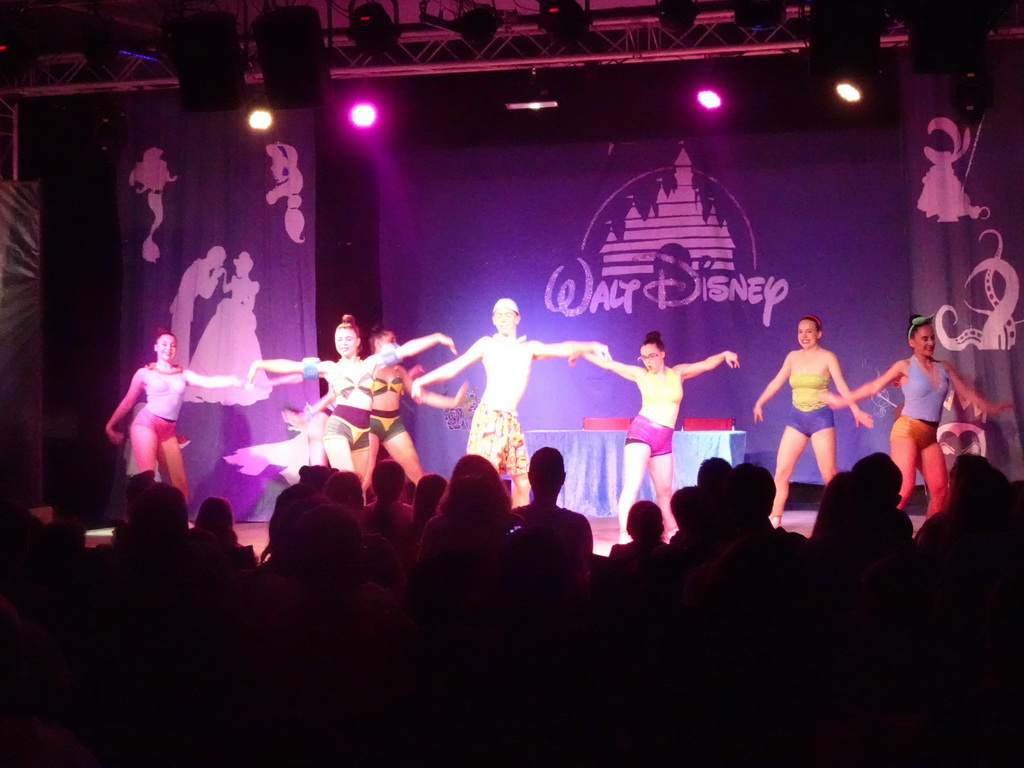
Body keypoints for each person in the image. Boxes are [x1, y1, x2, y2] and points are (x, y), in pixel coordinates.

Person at [411, 298, 611, 507]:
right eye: (498, 315)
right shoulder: (487, 344)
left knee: (523, 482)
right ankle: (477, 530)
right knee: (482, 480)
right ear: (493, 320)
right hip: (490, 418)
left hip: (511, 421)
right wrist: (422, 381)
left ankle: (517, 529)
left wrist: (592, 345)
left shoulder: (528, 348)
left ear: (518, 318)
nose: (503, 319)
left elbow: (564, 347)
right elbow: (453, 368)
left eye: (508, 314)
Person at [826, 314, 1011, 514]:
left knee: (940, 491)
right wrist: (843, 400)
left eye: (932, 338)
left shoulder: (944, 367)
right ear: (911, 342)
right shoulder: (904, 366)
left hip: (930, 436)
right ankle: (881, 532)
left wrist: (991, 407)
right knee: (903, 489)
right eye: (925, 339)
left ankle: (927, 541)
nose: (931, 342)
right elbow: (874, 387)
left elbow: (967, 392)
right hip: (907, 430)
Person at [246, 315, 457, 485]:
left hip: (363, 431)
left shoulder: (372, 363)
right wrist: (259, 365)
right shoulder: (330, 368)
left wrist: (437, 337)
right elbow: (293, 366)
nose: (343, 343)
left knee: (361, 485)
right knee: (348, 482)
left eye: (348, 339)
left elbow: (406, 349)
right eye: (339, 340)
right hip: (339, 428)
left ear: (357, 342)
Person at [580, 331, 739, 542]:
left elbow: (705, 364)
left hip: (664, 439)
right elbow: (610, 365)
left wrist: (725, 354)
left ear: (662, 354)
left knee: (664, 490)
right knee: (633, 483)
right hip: (642, 433)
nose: (647, 361)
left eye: (652, 356)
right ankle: (624, 533)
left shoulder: (678, 373)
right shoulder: (641, 375)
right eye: (643, 357)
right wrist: (581, 351)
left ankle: (670, 530)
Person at [752, 314, 872, 527]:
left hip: (820, 419)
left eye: (809, 331)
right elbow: (777, 381)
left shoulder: (827, 357)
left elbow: (842, 385)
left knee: (830, 477)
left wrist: (855, 409)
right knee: (781, 472)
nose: (804, 336)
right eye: (800, 331)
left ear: (819, 333)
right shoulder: (792, 357)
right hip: (796, 419)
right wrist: (760, 402)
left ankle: (844, 520)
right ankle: (774, 519)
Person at [105, 331, 242, 502]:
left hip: (167, 430)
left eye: (172, 345)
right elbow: (127, 402)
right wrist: (110, 426)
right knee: (147, 479)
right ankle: (141, 521)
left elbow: (209, 382)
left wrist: (233, 380)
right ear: (156, 347)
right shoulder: (144, 373)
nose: (168, 348)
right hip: (146, 424)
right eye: (164, 344)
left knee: (180, 484)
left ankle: (178, 522)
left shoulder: (182, 374)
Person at [365, 327, 468, 487]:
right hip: (370, 423)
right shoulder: (370, 365)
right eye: (391, 340)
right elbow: (408, 350)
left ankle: (427, 509)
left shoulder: (399, 371)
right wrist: (437, 337)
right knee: (365, 478)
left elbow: (423, 396)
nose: (396, 344)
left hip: (392, 424)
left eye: (396, 341)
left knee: (419, 477)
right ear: (378, 343)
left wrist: (453, 402)